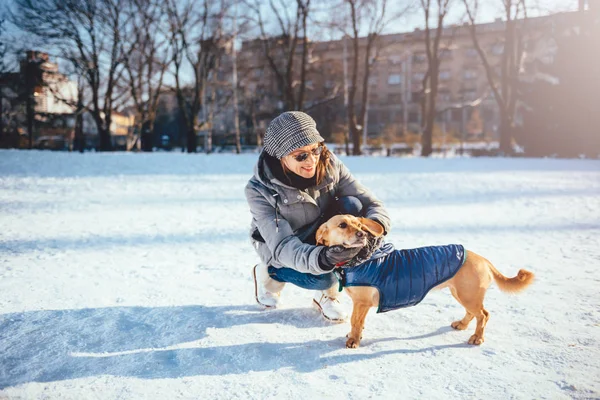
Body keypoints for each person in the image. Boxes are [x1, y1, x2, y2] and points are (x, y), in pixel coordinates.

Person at [245, 111, 390, 322]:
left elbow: (369, 202)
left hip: (324, 228)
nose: (312, 160)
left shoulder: (330, 163)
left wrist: (377, 226)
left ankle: (329, 295)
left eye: (315, 150)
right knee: (323, 276)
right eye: (301, 155)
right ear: (280, 155)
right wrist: (323, 258)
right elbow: (282, 245)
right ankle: (270, 275)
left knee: (353, 205)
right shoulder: (259, 190)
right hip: (284, 245)